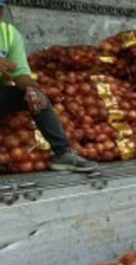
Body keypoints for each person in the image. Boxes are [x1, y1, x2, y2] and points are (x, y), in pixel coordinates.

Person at [0, 1, 95, 172]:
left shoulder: (8, 34)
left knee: (38, 96)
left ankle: (62, 153)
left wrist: (30, 89)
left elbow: (21, 73)